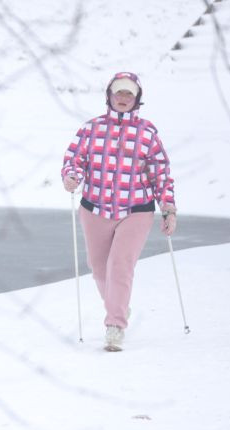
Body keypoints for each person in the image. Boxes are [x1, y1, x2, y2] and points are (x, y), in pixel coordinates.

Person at [61, 72, 177, 351]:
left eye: (129, 94)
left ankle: (115, 325)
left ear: (137, 99)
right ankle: (119, 307)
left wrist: (168, 208)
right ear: (109, 97)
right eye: (119, 93)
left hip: (136, 209)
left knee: (120, 265)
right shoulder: (91, 128)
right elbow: (74, 159)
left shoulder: (147, 132)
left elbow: (160, 174)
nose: (123, 98)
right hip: (94, 208)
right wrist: (72, 176)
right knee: (99, 269)